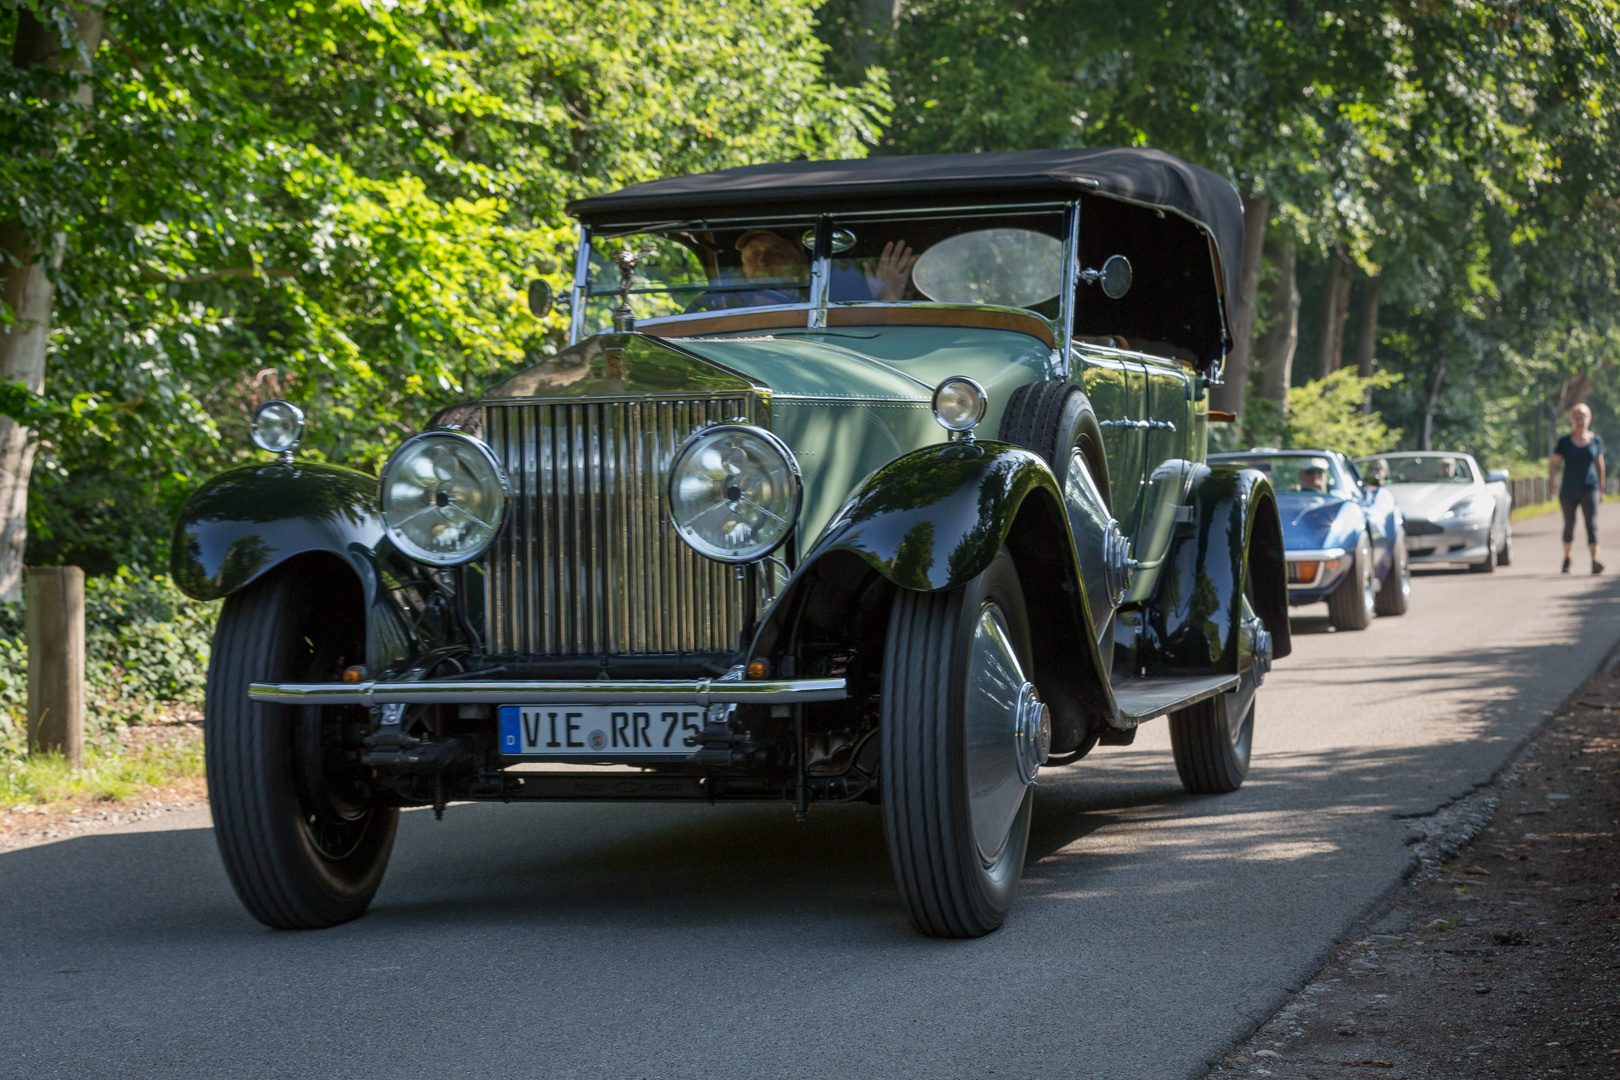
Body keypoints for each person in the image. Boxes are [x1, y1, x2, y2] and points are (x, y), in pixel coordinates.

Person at [1550, 403, 1605, 574]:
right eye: (1577, 418)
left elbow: (1600, 466)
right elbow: (1554, 464)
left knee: (1592, 524)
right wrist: (1552, 481)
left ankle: (1595, 561)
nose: (1580, 421)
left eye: (1583, 418)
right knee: (1569, 524)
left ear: (1589, 419)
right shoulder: (1564, 442)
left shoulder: (1595, 440)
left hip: (1590, 487)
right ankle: (1567, 558)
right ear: (1573, 420)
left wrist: (1601, 489)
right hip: (1568, 489)